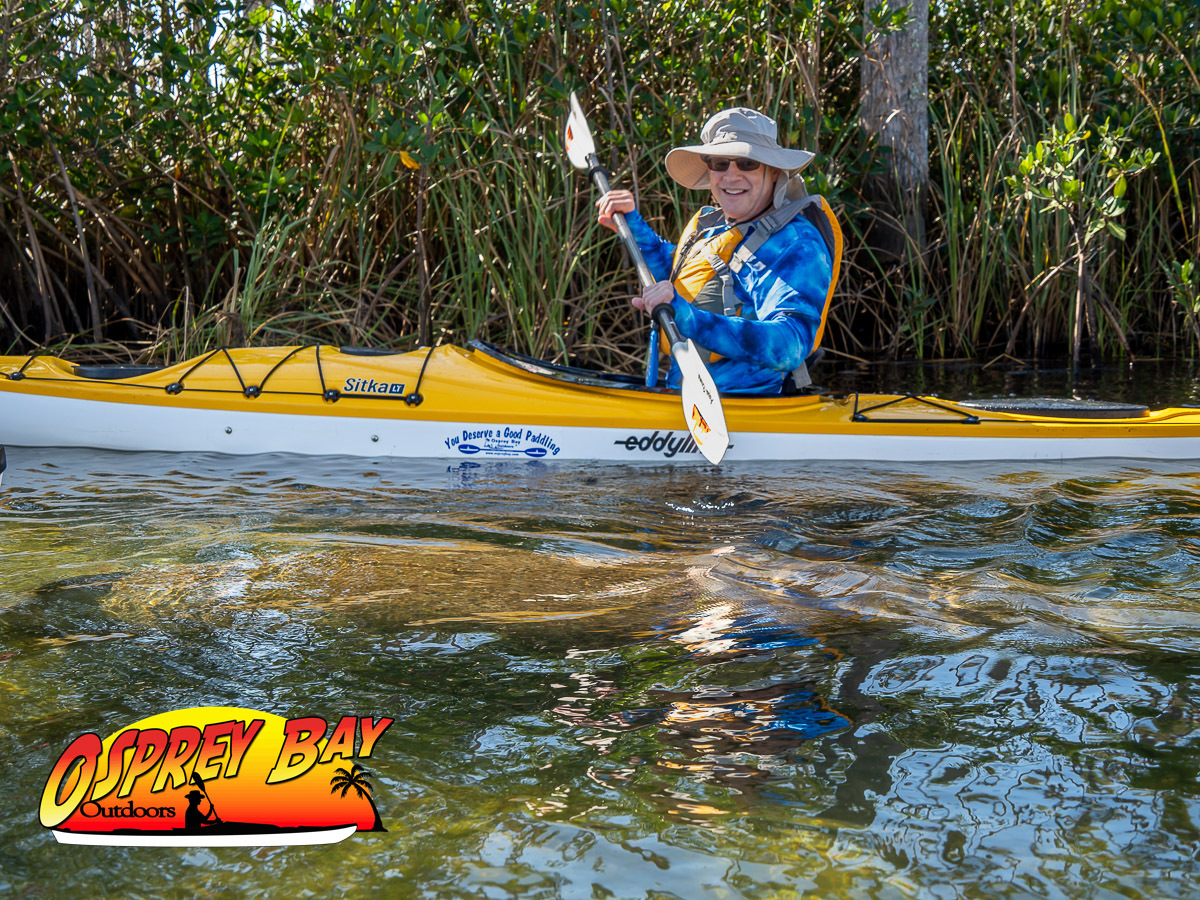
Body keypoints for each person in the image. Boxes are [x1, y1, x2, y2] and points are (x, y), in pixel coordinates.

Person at [596, 108, 840, 395]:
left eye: (747, 163)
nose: (731, 176)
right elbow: (685, 281)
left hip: (749, 404)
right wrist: (633, 226)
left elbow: (790, 345)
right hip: (685, 394)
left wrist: (689, 318)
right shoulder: (715, 226)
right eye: (720, 163)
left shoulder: (797, 244)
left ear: (774, 171)